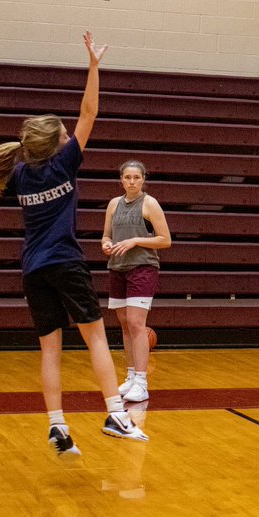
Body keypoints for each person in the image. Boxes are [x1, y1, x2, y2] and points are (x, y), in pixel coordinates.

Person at [0, 32, 148, 458]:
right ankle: (116, 414)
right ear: (58, 143)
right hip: (66, 263)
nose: (69, 133)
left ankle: (57, 425)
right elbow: (90, 111)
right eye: (64, 132)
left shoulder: (21, 175)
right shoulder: (63, 164)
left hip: (33, 270)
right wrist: (94, 66)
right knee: (96, 338)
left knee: (50, 350)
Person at [103, 159, 172, 403]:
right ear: (121, 180)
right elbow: (106, 236)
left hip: (142, 267)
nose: (132, 182)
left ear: (143, 179)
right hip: (117, 267)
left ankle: (142, 382)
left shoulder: (150, 203)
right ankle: (131, 376)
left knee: (135, 322)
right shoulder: (114, 204)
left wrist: (135, 241)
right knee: (124, 324)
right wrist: (106, 245)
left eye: (136, 177)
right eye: (127, 177)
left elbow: (165, 240)